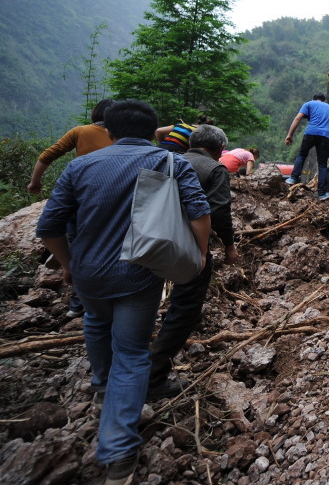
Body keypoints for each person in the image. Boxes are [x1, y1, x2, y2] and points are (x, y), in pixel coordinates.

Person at [35, 100, 210, 485]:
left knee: (96, 322)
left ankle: (101, 389)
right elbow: (198, 211)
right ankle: (118, 454)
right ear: (153, 133)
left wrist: (67, 265)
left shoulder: (80, 166)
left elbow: (48, 226)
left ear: (108, 131)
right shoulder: (171, 162)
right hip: (139, 273)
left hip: (89, 274)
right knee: (131, 354)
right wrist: (199, 253)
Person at [148, 125, 239, 400]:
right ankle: (152, 377)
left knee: (143, 304)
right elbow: (219, 210)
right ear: (218, 149)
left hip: (147, 242)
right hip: (188, 246)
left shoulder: (164, 159)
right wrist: (229, 244)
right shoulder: (214, 169)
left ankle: (123, 369)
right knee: (185, 308)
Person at [27, 98, 115, 319]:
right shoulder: (122, 136)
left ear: (96, 114)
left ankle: (78, 302)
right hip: (115, 199)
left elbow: (47, 155)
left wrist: (35, 183)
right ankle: (112, 299)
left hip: (82, 197)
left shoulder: (80, 131)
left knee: (79, 245)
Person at [285, 93, 329, 201]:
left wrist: (290, 135)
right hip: (324, 136)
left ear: (313, 99)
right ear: (324, 100)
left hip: (310, 133)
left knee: (302, 155)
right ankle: (322, 193)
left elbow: (297, 119)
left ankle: (292, 178)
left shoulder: (309, 104)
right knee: (323, 165)